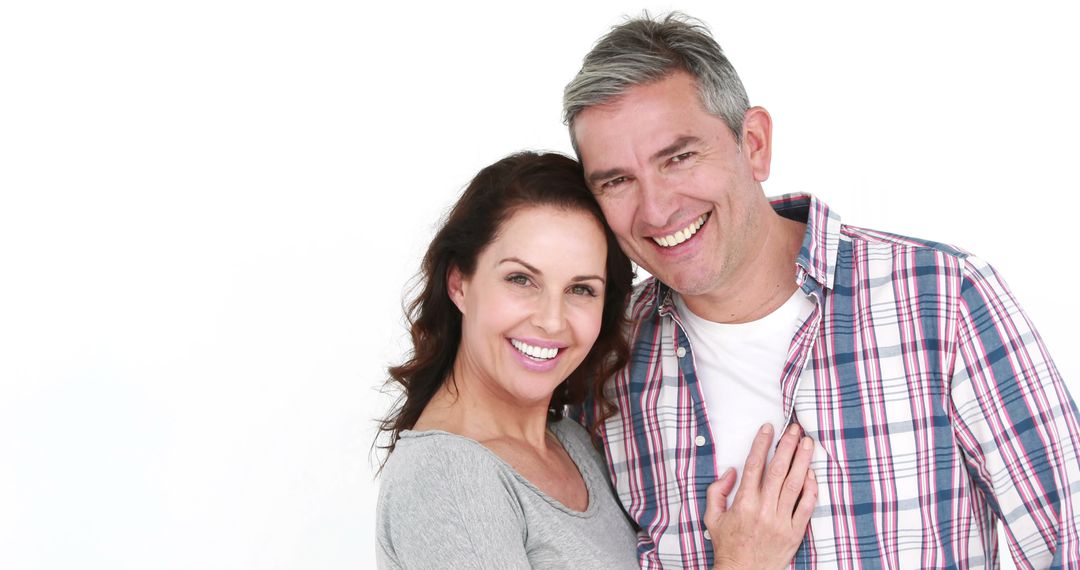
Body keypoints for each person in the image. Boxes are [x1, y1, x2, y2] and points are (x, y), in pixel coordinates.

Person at [563, 12, 1080, 569]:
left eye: (679, 158)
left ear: (754, 144)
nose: (656, 210)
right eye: (617, 181)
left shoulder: (941, 298)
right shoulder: (600, 352)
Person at [375, 151, 817, 569]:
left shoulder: (572, 443)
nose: (551, 320)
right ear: (459, 284)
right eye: (521, 279)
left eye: (581, 289)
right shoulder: (446, 474)